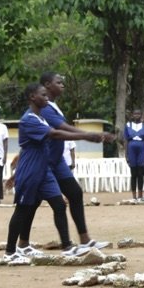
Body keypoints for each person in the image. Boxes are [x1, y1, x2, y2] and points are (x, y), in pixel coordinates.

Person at [2, 84, 76, 264]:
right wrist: (87, 135)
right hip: (30, 171)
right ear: (32, 97)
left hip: (44, 170)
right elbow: (55, 134)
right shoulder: (28, 120)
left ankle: (67, 247)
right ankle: (10, 252)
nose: (47, 98)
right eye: (43, 95)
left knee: (59, 204)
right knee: (23, 208)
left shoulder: (41, 118)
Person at [38, 72, 112, 252]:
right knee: (34, 205)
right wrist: (89, 136)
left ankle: (84, 240)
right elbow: (61, 128)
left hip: (58, 161)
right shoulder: (45, 108)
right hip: (45, 162)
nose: (63, 85)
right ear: (47, 85)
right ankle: (23, 244)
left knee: (75, 193)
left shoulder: (54, 106)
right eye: (59, 82)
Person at [123, 109, 144, 204]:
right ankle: (134, 196)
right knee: (133, 173)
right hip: (131, 148)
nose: (137, 115)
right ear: (132, 115)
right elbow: (126, 140)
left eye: (138, 114)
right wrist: (126, 154)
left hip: (142, 147)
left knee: (140, 173)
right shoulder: (128, 125)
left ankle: (140, 195)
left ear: (141, 115)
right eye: (135, 113)